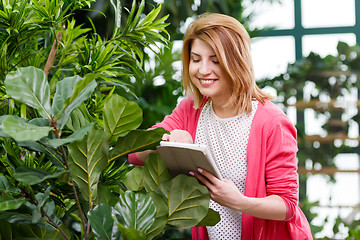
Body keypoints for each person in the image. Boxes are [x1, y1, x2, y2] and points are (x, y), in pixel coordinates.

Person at [128, 13, 313, 240]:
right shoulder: (190, 110)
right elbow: (136, 152)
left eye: (215, 60)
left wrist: (239, 202)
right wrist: (169, 139)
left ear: (236, 62)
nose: (203, 70)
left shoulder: (271, 122)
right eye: (196, 59)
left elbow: (287, 205)